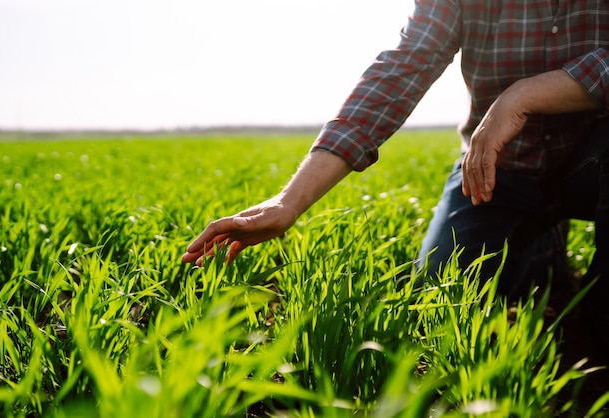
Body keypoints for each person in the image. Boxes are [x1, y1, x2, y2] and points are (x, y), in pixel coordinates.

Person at [182, 0, 608, 362]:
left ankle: (596, 330)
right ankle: (540, 242)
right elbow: (400, 72)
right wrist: (289, 202)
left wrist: (524, 94)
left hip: (592, 158)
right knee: (440, 302)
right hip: (495, 170)